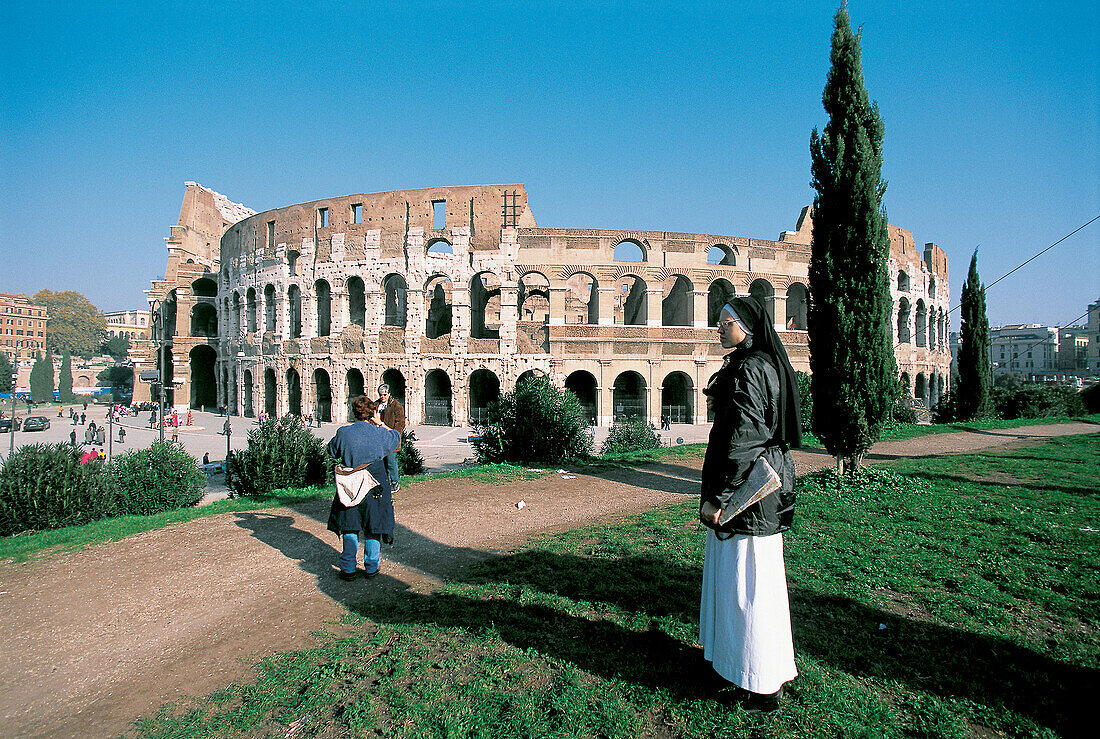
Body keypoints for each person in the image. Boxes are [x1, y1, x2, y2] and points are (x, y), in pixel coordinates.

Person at [698, 296, 802, 714]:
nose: (718, 328)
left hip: (748, 491)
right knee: (744, 582)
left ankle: (762, 683)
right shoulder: (757, 362)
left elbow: (742, 439)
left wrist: (721, 499)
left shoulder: (751, 368)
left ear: (746, 325)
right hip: (758, 483)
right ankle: (744, 670)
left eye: (725, 321)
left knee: (749, 587)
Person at [326, 396, 400, 581]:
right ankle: (371, 566)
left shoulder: (343, 433)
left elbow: (331, 450)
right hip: (375, 485)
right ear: (373, 413)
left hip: (350, 484)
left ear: (354, 413)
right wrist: (380, 424)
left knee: (350, 524)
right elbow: (396, 439)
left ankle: (348, 568)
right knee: (373, 525)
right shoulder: (379, 433)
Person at [376, 383, 406, 491]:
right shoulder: (376, 405)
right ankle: (384, 481)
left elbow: (400, 422)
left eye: (384, 394)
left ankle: (394, 482)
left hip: (390, 437)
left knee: (390, 460)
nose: (382, 397)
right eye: (381, 395)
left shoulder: (396, 405)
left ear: (389, 394)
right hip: (378, 437)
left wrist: (395, 435)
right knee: (380, 460)